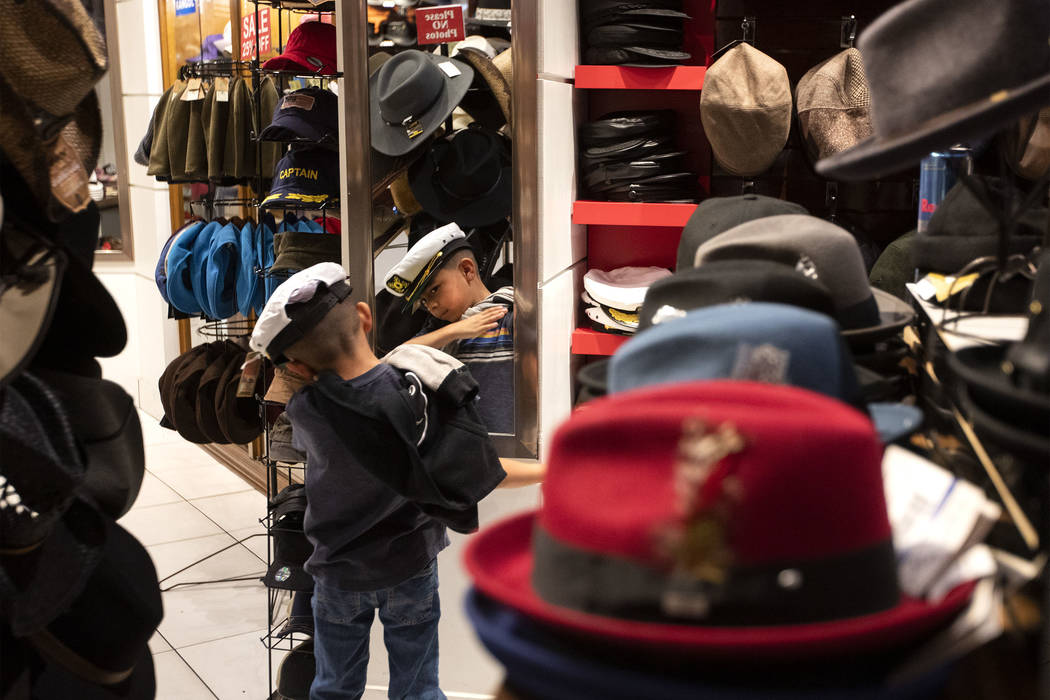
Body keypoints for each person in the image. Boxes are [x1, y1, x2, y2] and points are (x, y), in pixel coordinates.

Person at [250, 262, 526, 700]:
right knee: (416, 687)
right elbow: (396, 364)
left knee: (334, 686)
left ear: (298, 368)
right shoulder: (412, 392)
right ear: (364, 317)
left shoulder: (306, 411)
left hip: (337, 572)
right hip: (409, 566)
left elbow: (389, 360)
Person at [382, 222, 515, 433]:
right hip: (459, 451)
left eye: (434, 290)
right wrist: (457, 330)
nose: (431, 305)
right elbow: (397, 357)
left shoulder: (505, 315)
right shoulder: (443, 330)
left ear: (467, 269)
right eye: (424, 301)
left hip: (509, 450)